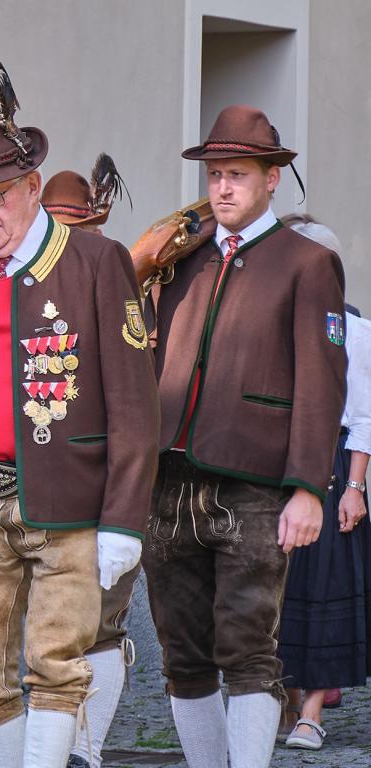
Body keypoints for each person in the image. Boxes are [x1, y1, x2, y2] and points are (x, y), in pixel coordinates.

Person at [0, 73, 160, 768]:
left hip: (66, 501)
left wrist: (124, 520)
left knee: (56, 663)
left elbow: (135, 405)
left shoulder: (96, 261)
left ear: (33, 186)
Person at [145, 105, 347, 767]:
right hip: (169, 479)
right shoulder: (184, 259)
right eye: (215, 175)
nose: (222, 187)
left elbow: (322, 380)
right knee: (182, 654)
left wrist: (308, 487)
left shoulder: (307, 262)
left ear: (271, 180)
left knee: (249, 648)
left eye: (237, 174)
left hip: (255, 483)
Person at [43, 154, 138, 768]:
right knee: (36, 629)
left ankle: (88, 748)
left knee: (102, 623)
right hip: (33, 486)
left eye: (76, 229)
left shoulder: (119, 276)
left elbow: (134, 398)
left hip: (103, 481)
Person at [276, 215, 371, 751]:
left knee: (323, 587)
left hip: (331, 468)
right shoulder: (269, 321)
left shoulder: (353, 329)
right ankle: (286, 701)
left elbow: (364, 416)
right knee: (275, 591)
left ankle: (311, 712)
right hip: (271, 464)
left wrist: (355, 488)